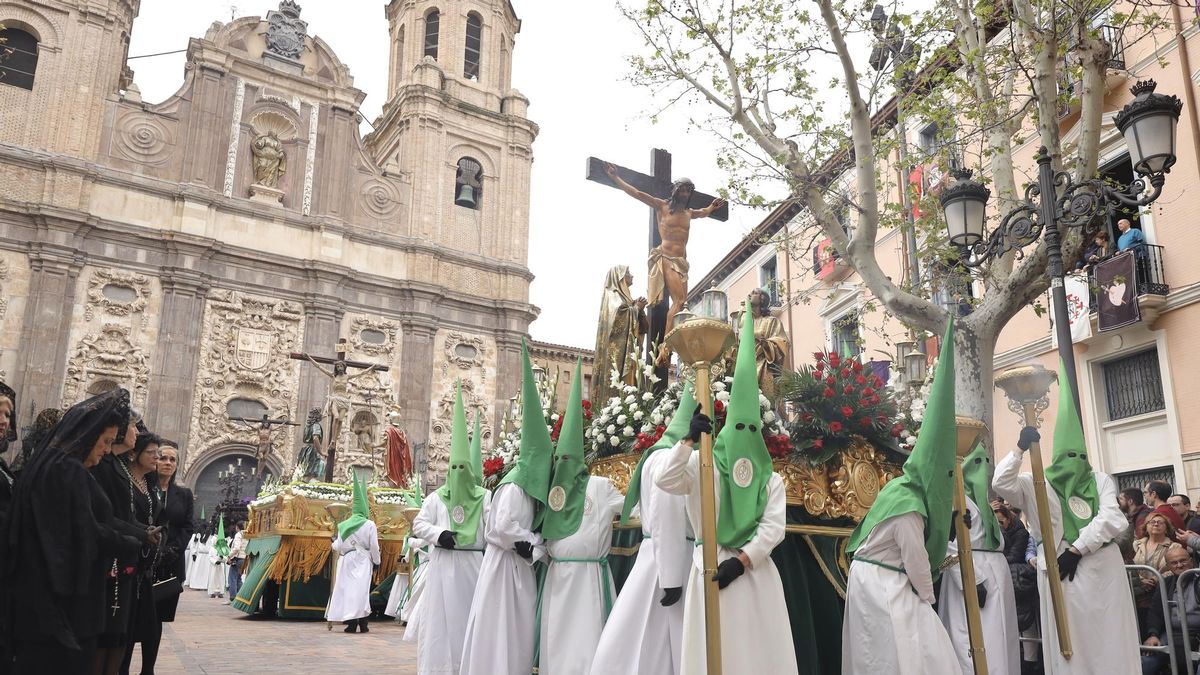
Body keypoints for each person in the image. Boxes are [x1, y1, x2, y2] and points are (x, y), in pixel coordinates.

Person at [657, 306, 798, 675]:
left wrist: (742, 561)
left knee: (757, 655)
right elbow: (665, 481)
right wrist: (687, 440)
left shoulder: (770, 479)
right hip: (708, 567)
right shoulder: (704, 467)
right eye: (739, 429)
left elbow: (773, 529)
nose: (745, 440)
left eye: (753, 431)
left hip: (754, 574)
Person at [992, 368, 1139, 675]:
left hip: (1100, 569)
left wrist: (1077, 550)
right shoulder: (1036, 483)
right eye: (1066, 456)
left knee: (1109, 639)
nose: (1074, 463)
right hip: (1060, 575)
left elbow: (1112, 517)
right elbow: (1001, 483)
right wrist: (1019, 449)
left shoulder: (1099, 479)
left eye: (1079, 456)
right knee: (1070, 643)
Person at [843, 319, 959, 675]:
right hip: (883, 584)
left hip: (878, 579)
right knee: (899, 654)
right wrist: (929, 596)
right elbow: (914, 557)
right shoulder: (908, 505)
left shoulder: (899, 487)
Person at [4, 389, 139, 675]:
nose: (105, 450)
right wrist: (129, 543)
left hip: (35, 599)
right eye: (104, 442)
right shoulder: (69, 470)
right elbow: (84, 531)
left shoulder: (49, 464)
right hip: (64, 603)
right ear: (87, 435)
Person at [460, 341, 553, 675]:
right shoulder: (515, 485)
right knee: (503, 629)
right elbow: (500, 527)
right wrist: (536, 543)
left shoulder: (525, 487)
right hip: (505, 568)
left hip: (514, 566)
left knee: (515, 630)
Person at [591, 383, 697, 675]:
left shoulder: (654, 456)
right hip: (670, 558)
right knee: (663, 639)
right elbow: (668, 515)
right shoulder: (670, 459)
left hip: (657, 553)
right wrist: (672, 575)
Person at [537, 361, 625, 674]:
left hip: (589, 578)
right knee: (558, 641)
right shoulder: (551, 492)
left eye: (568, 459)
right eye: (558, 459)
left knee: (588, 645)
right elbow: (540, 533)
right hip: (559, 578)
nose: (563, 465)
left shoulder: (600, 486)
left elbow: (631, 509)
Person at [406, 383, 489, 674]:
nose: (457, 475)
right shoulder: (435, 497)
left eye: (462, 469)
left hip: (474, 568)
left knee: (469, 622)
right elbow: (419, 524)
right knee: (441, 625)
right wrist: (440, 535)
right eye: (453, 468)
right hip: (443, 568)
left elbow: (491, 530)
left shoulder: (485, 498)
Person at [603, 162, 725, 337]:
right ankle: (667, 342)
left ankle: (671, 338)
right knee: (680, 301)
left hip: (682, 262)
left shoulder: (689, 213)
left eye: (688, 191)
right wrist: (615, 177)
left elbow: (704, 211)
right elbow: (637, 193)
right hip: (666, 257)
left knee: (683, 304)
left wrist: (712, 208)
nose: (685, 194)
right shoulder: (662, 206)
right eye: (682, 190)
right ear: (675, 190)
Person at [939, 443, 1020, 675]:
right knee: (975, 640)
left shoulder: (984, 502)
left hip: (997, 575)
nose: (982, 469)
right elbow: (949, 547)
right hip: (972, 574)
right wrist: (972, 581)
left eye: (985, 463)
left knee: (1001, 638)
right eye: (976, 462)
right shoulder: (957, 499)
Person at [92, 415, 161, 675]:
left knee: (120, 630)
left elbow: (123, 514)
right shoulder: (106, 466)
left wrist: (144, 533)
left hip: (128, 556)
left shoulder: (118, 466)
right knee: (107, 632)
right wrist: (141, 535)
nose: (137, 431)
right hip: (111, 557)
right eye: (133, 426)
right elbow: (108, 516)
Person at [142, 441, 191, 674]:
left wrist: (173, 549)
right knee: (136, 615)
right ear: (154, 460)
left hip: (170, 564)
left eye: (172, 460)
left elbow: (188, 527)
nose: (167, 463)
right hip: (143, 558)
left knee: (158, 618)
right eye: (163, 458)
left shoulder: (183, 494)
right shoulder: (143, 487)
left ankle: (148, 668)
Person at [119, 432, 163, 675]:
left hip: (144, 562)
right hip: (127, 554)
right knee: (123, 623)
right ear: (134, 453)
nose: (157, 457)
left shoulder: (150, 484)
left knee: (143, 622)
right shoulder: (124, 479)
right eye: (152, 452)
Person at [326, 474, 380, 633]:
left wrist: (333, 542)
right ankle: (363, 624)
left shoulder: (344, 525)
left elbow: (339, 546)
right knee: (361, 591)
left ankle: (350, 623)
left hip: (347, 559)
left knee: (347, 590)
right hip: (363, 560)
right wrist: (377, 561)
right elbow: (374, 546)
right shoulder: (370, 524)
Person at [591, 265, 649, 409]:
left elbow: (642, 328)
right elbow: (618, 319)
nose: (632, 275)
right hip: (618, 356)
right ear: (620, 277)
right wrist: (636, 309)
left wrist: (639, 310)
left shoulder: (625, 298)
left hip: (631, 353)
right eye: (628, 273)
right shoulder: (613, 295)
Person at [1141, 546, 1200, 675]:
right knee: (1146, 662)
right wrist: (1153, 635)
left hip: (1197, 632)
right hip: (1171, 633)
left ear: (1191, 561)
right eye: (1174, 562)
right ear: (1168, 566)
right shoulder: (1165, 583)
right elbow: (1155, 611)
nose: (1179, 565)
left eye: (1183, 560)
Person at [206, 518, 229, 599]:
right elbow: (209, 556)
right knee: (213, 578)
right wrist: (215, 561)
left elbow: (226, 556)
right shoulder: (212, 548)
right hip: (214, 566)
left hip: (221, 566)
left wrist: (223, 558)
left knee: (221, 579)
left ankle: (220, 592)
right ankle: (212, 592)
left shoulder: (223, 548)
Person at [226, 521, 246, 603]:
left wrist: (229, 556)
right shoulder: (247, 535)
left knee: (232, 578)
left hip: (237, 559)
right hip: (244, 559)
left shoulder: (239, 535)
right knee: (238, 579)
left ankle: (233, 598)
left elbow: (237, 548)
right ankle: (241, 597)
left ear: (237, 527)